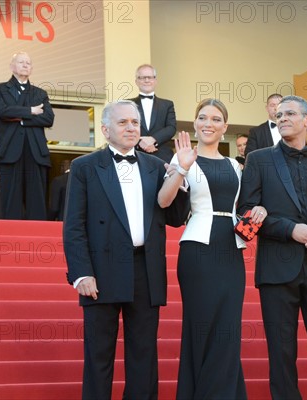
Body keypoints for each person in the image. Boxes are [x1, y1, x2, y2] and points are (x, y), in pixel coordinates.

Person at [63, 100, 187, 399]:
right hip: (102, 271)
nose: (131, 127)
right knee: (99, 356)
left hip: (146, 269)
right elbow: (74, 225)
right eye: (123, 123)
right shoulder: (84, 167)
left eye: (135, 122)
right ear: (105, 130)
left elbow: (174, 218)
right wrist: (81, 274)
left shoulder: (157, 166)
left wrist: (180, 175)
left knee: (144, 357)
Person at [238, 95, 307, 399]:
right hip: (277, 269)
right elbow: (247, 213)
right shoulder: (258, 159)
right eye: (279, 114)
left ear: (306, 120)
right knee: (282, 353)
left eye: (289, 113)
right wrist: (290, 230)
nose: (282, 117)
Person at [157, 99, 265, 399]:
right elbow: (164, 202)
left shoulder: (235, 165)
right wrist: (180, 167)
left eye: (216, 119)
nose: (208, 123)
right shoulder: (183, 160)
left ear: (225, 127)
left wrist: (258, 215)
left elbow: (240, 211)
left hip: (231, 251)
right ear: (195, 124)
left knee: (228, 329)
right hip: (198, 252)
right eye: (202, 118)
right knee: (201, 328)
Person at [0, 51, 54, 220]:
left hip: (36, 153)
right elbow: (2, 111)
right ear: (12, 67)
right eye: (21, 62)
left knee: (37, 200)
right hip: (9, 152)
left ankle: (38, 239)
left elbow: (48, 118)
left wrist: (21, 119)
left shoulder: (39, 93)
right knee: (10, 201)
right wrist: (31, 111)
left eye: (28, 63)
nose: (26, 65)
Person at [131, 64, 177, 163]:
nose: (147, 80)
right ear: (136, 81)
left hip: (162, 157)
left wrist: (153, 139)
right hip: (135, 155)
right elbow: (124, 127)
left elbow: (171, 127)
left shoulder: (167, 104)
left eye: (150, 77)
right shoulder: (127, 105)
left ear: (155, 80)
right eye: (142, 77)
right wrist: (140, 142)